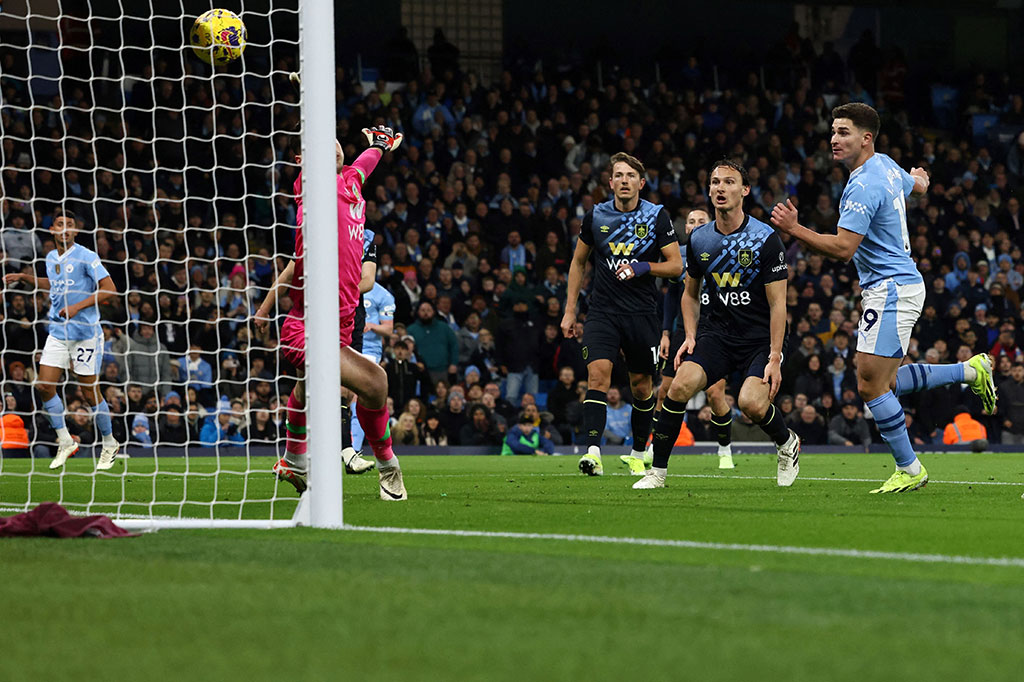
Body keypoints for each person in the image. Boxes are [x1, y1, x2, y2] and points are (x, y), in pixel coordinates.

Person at [770, 102, 996, 493]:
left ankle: (910, 469)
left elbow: (842, 248)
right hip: (897, 283)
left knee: (870, 385)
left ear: (866, 138)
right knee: (884, 383)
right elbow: (918, 186)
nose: (834, 140)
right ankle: (970, 371)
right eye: (833, 132)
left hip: (891, 287)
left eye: (843, 132)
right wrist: (920, 180)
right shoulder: (888, 165)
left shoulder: (863, 183)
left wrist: (795, 228)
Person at [254, 126, 408, 500]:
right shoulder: (309, 186)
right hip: (308, 326)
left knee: (317, 385)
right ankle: (389, 469)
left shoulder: (351, 180)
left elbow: (364, 165)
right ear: (302, 161)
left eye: (334, 144)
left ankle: (293, 458)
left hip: (339, 324)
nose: (332, 150)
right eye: (321, 148)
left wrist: (378, 145)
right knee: (374, 384)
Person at [634, 161, 800, 490]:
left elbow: (778, 304)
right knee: (679, 385)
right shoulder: (699, 239)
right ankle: (657, 473)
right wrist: (691, 335)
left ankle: (787, 443)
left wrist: (775, 356)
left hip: (759, 339)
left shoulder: (764, 239)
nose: (720, 188)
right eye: (714, 182)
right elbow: (689, 294)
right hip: (717, 335)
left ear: (744, 190)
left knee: (751, 403)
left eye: (728, 182)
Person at [560, 152, 683, 476]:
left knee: (642, 387)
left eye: (631, 175)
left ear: (641, 183)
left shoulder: (656, 216)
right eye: (619, 175)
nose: (624, 180)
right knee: (597, 375)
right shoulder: (595, 216)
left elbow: (676, 265)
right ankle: (592, 453)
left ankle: (638, 451)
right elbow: (578, 262)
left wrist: (644, 266)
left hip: (642, 314)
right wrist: (570, 311)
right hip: (603, 311)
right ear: (610, 182)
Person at [2, 209, 121, 470]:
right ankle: (65, 440)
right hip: (59, 331)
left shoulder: (86, 256)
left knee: (89, 392)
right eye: (59, 224)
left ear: (75, 231)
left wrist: (79, 306)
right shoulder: (51, 257)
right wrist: (25, 278)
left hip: (86, 334)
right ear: (52, 230)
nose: (64, 229)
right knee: (44, 385)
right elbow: (54, 284)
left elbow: (110, 289)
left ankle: (109, 442)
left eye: (69, 224)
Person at [658, 206, 736, 469]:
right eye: (690, 221)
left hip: (713, 330)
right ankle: (653, 448)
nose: (694, 224)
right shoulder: (678, 255)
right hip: (683, 330)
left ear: (710, 224)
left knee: (715, 395)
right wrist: (666, 333)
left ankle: (724, 448)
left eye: (701, 220)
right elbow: (671, 296)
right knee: (665, 391)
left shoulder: (723, 249)